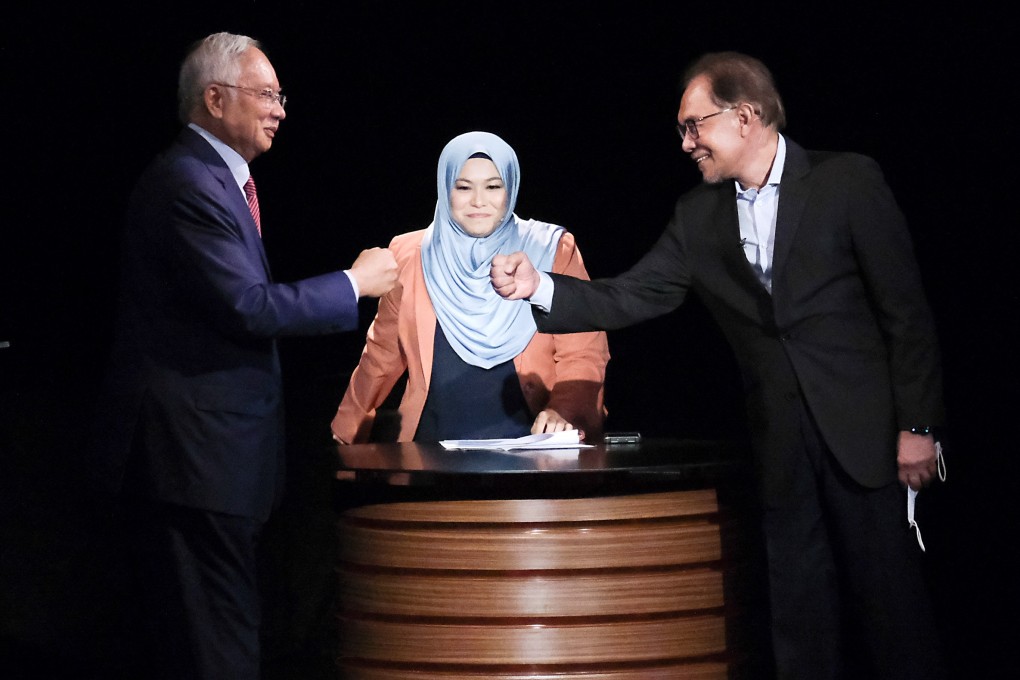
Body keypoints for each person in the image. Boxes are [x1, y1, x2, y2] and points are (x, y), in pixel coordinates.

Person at [490, 52, 946, 679]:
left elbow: (907, 313)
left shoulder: (847, 182)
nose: (686, 143)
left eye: (694, 125)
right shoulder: (697, 217)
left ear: (745, 116)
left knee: (892, 615)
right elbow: (634, 293)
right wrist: (538, 286)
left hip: (865, 438)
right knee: (798, 615)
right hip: (782, 444)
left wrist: (917, 427)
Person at [90, 32, 397, 679]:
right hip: (193, 461)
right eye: (267, 94)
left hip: (215, 464)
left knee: (220, 640)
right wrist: (354, 283)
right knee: (217, 648)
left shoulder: (218, 180)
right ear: (215, 98)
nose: (280, 109)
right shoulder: (187, 182)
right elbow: (250, 306)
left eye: (280, 95)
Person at [331, 131, 609, 444]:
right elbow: (382, 355)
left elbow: (584, 351)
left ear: (511, 187)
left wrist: (566, 411)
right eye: (463, 187)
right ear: (444, 187)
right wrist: (347, 427)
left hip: (530, 451)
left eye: (493, 186)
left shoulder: (552, 250)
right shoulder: (410, 255)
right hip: (430, 451)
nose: (479, 201)